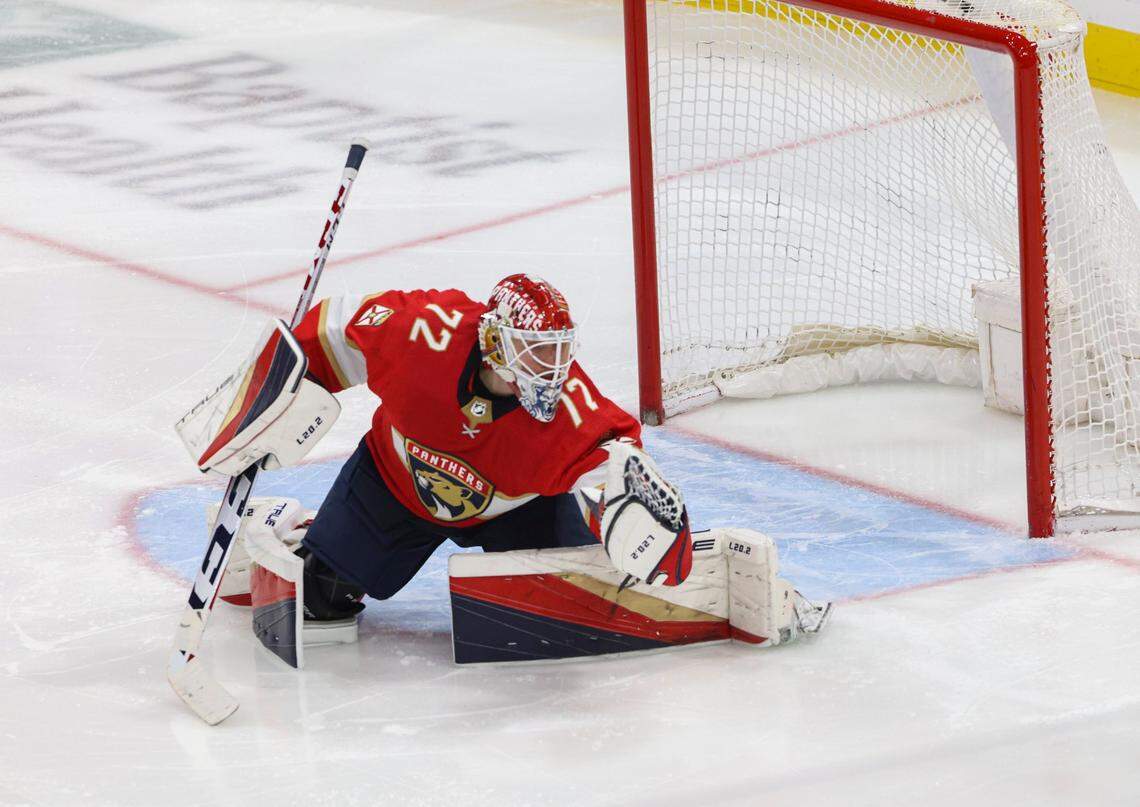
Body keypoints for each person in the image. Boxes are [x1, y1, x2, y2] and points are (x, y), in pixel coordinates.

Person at [283, 273, 693, 620]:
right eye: (536, 352)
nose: (551, 369)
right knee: (318, 593)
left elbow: (609, 458)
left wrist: (626, 511)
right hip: (397, 485)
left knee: (570, 604)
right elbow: (336, 326)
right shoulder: (423, 332)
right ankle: (302, 531)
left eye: (558, 350)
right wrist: (285, 382)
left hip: (519, 509)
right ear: (495, 341)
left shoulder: (571, 406)